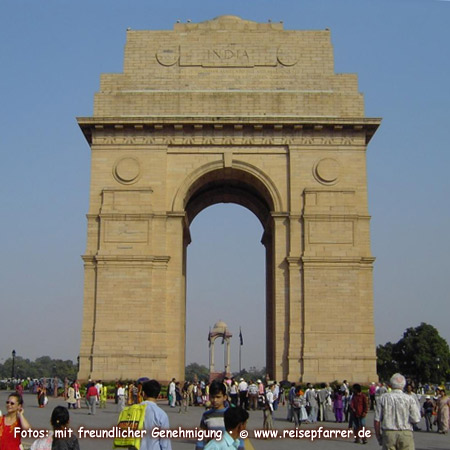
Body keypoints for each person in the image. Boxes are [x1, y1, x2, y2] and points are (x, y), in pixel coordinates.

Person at [374, 373, 421, 449]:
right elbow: (416, 419)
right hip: (405, 432)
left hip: (388, 433)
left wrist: (378, 436)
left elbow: (377, 420)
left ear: (391, 384)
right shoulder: (409, 399)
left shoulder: (383, 398)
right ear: (403, 385)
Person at [196, 380, 244, 450]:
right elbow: (201, 438)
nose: (215, 400)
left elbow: (239, 438)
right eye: (212, 397)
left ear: (224, 397)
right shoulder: (207, 415)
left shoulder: (232, 414)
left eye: (218, 397)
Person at [137, 380, 172, 450]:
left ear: (143, 393)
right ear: (158, 395)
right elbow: (165, 443)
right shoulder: (161, 414)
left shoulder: (133, 410)